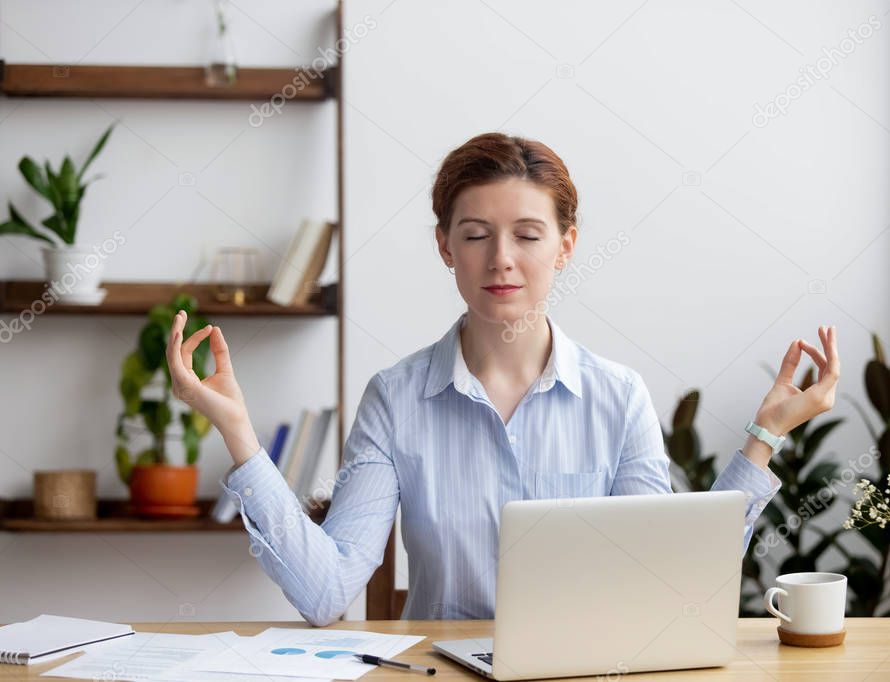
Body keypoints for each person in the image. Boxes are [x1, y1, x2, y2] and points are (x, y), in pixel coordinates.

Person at [166, 132, 840, 626]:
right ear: (444, 247)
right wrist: (238, 431)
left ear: (565, 246)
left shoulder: (617, 396)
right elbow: (324, 593)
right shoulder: (396, 398)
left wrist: (765, 435)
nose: (501, 260)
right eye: (475, 233)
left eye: (526, 234)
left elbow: (667, 578)